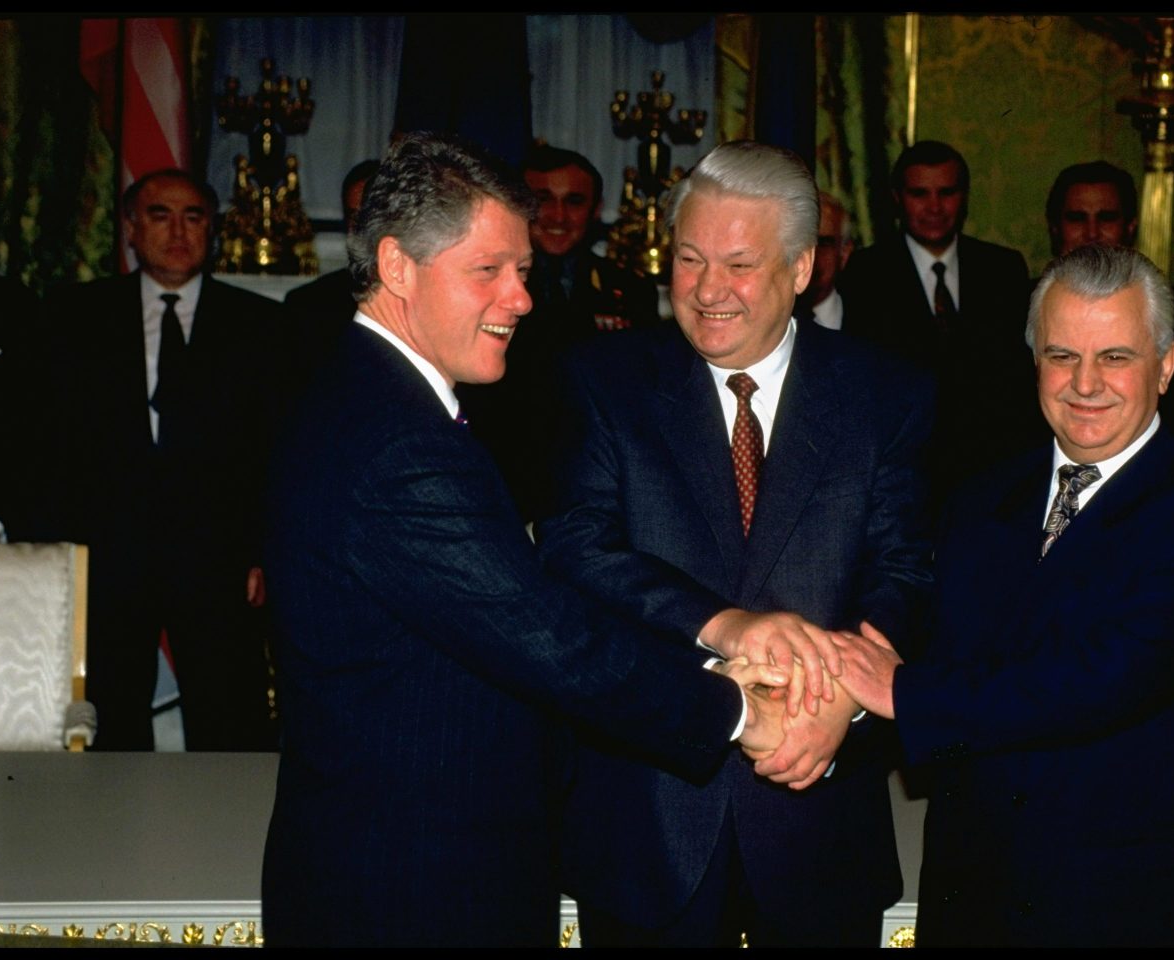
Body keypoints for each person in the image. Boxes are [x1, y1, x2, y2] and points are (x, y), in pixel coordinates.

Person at [259, 132, 791, 948]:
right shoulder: (397, 442)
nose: (521, 298)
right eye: (488, 270)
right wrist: (735, 706)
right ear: (398, 266)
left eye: (524, 271)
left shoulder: (372, 397)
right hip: (412, 888)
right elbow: (544, 634)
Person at [537, 140, 934, 947]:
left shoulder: (885, 392)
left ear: (801, 268)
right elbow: (577, 549)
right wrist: (726, 625)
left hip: (821, 821)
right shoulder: (605, 381)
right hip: (649, 822)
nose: (707, 289)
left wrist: (846, 700)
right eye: (689, 259)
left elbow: (906, 571)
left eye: (739, 265)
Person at [830, 244, 1174, 946]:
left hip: (1116, 910)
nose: (1084, 384)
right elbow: (926, 633)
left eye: (1115, 357)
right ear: (1034, 360)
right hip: (969, 898)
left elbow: (1099, 678)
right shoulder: (980, 498)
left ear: (1166, 366)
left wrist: (903, 692)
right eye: (1062, 355)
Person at [42, 169, 282, 751]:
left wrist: (264, 549)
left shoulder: (261, 324)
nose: (177, 232)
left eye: (193, 217)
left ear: (212, 231)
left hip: (220, 560)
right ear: (130, 228)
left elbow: (278, 450)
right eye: (159, 215)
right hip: (110, 556)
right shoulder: (76, 316)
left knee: (229, 724)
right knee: (112, 724)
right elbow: (52, 441)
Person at [458, 143, 660, 522]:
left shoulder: (630, 290)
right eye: (542, 200)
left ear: (596, 210)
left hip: (598, 488)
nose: (558, 216)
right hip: (501, 483)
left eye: (575, 201)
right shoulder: (483, 284)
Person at [838, 140, 1033, 502]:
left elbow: (1016, 384)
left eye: (947, 192)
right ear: (898, 198)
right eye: (919, 194)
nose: (934, 207)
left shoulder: (1002, 269)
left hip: (989, 475)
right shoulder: (866, 273)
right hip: (901, 477)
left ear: (964, 197)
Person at [1043, 160, 1174, 444]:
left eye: (1106, 218)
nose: (1092, 233)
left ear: (1130, 227)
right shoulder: (1019, 310)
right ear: (1055, 229)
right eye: (1077, 218)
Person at [282, 159, 380, 388]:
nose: (364, 228)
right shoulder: (308, 306)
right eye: (355, 217)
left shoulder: (430, 298)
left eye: (372, 215)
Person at [793, 191, 854, 329]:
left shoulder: (881, 321)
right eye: (802, 243)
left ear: (844, 253)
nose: (811, 256)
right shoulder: (766, 323)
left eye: (823, 244)